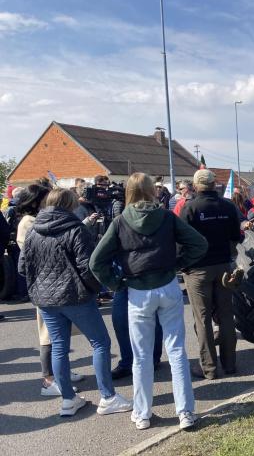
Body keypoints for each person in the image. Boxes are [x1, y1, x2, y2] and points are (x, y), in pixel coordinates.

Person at [90, 172, 208, 430]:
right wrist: (178, 264)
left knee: (141, 357)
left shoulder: (120, 222)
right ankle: (186, 412)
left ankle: (142, 414)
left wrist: (116, 283)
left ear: (129, 192)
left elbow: (96, 262)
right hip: (168, 287)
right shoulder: (167, 217)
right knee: (176, 351)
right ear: (152, 191)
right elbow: (199, 244)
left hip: (138, 292)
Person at [18, 188, 132, 416]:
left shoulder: (33, 231)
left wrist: (37, 286)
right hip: (74, 296)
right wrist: (94, 289)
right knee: (100, 342)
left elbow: (22, 267)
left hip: (45, 299)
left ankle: (68, 399)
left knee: (59, 346)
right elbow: (87, 266)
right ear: (69, 205)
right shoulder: (75, 229)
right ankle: (107, 397)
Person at [16, 184, 84, 395]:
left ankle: (61, 370)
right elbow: (27, 258)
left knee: (60, 334)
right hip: (45, 285)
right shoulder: (29, 223)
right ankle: (48, 379)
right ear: (36, 202)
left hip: (56, 284)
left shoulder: (41, 220)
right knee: (48, 336)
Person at [180, 169, 241, 380]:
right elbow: (236, 236)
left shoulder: (190, 208)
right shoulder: (228, 206)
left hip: (198, 270)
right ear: (215, 184)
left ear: (195, 186)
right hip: (224, 267)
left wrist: (183, 265)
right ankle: (230, 364)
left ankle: (209, 368)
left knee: (202, 318)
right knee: (226, 315)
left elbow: (181, 242)